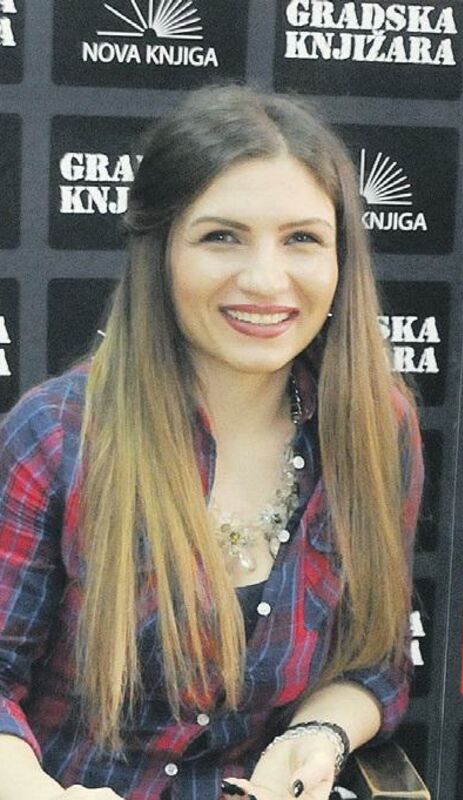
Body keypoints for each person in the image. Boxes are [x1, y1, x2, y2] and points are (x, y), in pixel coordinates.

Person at [0, 86, 423, 800]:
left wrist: (315, 737)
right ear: (161, 252)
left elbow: (375, 664)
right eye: (222, 236)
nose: (265, 279)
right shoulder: (56, 435)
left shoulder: (375, 426)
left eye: (302, 239)